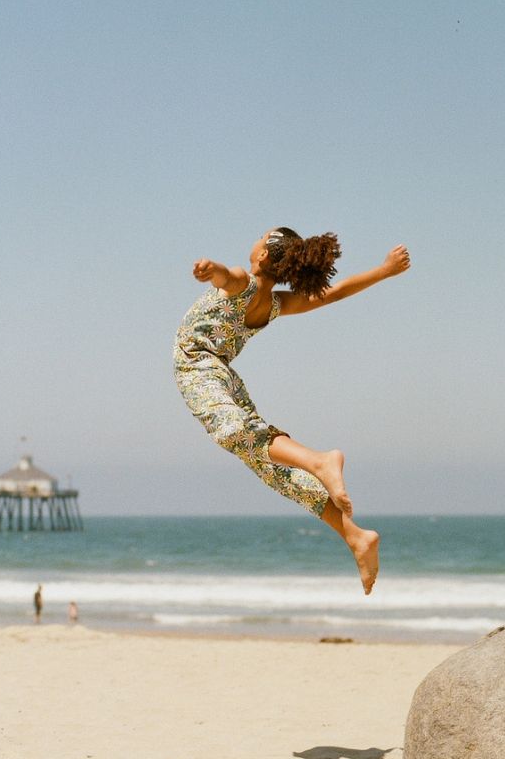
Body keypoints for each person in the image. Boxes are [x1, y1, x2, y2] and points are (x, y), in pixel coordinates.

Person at [175, 228, 411, 593]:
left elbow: (228, 275)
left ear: (264, 256)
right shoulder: (275, 304)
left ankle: (320, 462)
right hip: (224, 375)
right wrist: (383, 271)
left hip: (199, 367)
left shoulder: (243, 282)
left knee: (231, 431)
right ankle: (355, 536)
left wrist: (212, 270)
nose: (253, 239)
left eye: (260, 237)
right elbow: (334, 294)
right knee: (267, 466)